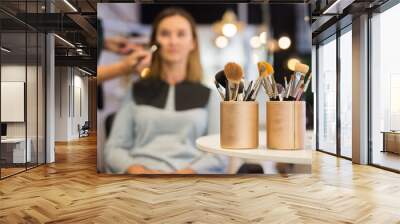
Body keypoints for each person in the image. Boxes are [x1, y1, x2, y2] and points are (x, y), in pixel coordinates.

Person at [104, 8, 228, 174]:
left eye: (181, 34)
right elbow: (114, 149)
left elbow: (218, 155)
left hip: (191, 182)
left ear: (193, 43)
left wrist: (182, 175)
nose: (173, 41)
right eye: (165, 34)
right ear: (155, 42)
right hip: (141, 180)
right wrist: (140, 171)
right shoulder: (136, 91)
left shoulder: (210, 96)